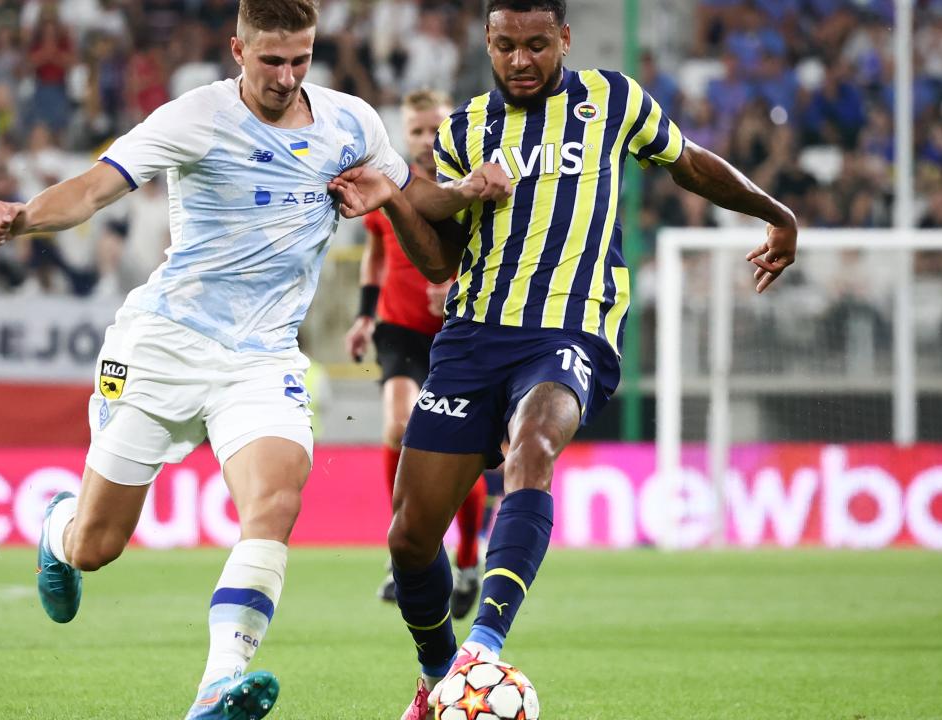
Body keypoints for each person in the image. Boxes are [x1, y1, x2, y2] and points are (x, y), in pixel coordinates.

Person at [0, 2, 498, 717]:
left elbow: (418, 198)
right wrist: (24, 216)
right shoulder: (197, 117)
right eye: (271, 60)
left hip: (263, 357)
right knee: (98, 545)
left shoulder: (351, 124)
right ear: (238, 50)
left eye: (300, 60)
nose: (286, 77)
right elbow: (96, 187)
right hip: (164, 345)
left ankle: (218, 685)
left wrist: (466, 191)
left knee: (276, 502)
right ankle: (57, 532)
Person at [327, 2, 798, 717]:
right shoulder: (463, 130)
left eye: (537, 44)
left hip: (571, 330)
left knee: (535, 445)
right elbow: (443, 260)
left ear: (565, 39)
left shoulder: (612, 99)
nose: (521, 60)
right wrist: (396, 203)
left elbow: (689, 163)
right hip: (473, 334)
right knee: (410, 537)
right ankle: (439, 675)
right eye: (506, 45)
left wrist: (775, 213)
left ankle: (482, 647)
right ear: (487, 41)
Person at [343, 88, 491, 616]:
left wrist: (457, 287)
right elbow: (377, 252)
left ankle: (468, 556)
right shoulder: (389, 182)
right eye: (417, 131)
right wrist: (365, 314)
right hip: (400, 327)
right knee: (398, 425)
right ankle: (402, 548)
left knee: (459, 454)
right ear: (403, 135)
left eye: (436, 129)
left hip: (459, 329)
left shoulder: (470, 185)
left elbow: (494, 252)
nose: (427, 140)